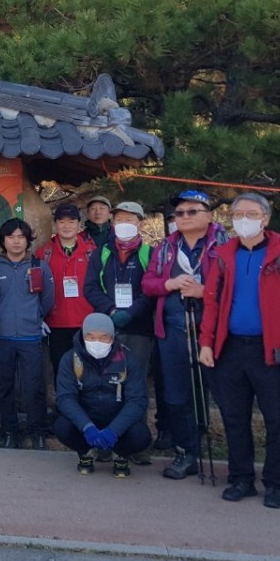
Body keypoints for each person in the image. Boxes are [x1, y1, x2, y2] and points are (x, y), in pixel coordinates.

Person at [198, 192, 280, 509]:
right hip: (230, 349)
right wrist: (206, 342)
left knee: (276, 420)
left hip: (271, 350)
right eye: (238, 214)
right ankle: (241, 479)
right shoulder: (224, 256)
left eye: (251, 214)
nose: (243, 220)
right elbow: (211, 303)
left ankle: (276, 484)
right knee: (234, 418)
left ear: (265, 219)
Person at [142, 189, 227, 479]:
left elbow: (236, 286)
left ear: (209, 214)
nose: (185, 217)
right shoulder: (165, 247)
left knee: (223, 393)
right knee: (176, 394)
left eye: (193, 211)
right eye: (179, 213)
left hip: (214, 330)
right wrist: (169, 284)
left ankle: (237, 459)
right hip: (174, 329)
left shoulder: (224, 245)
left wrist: (206, 292)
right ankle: (185, 451)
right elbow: (148, 283)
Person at [84, 201, 156, 464]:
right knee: (105, 384)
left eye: (130, 219)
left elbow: (152, 290)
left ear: (140, 223)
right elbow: (90, 287)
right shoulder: (101, 253)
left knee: (135, 385)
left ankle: (134, 444)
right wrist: (111, 310)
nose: (124, 224)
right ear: (112, 223)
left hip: (139, 329)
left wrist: (132, 312)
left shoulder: (150, 253)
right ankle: (104, 441)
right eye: (120, 219)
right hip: (107, 328)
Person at [54, 313, 151, 478]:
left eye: (103, 337)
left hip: (117, 418)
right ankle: (86, 452)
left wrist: (114, 431)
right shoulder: (70, 359)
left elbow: (137, 401)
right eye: (91, 337)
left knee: (141, 435)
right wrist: (87, 427)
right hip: (87, 418)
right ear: (83, 337)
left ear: (112, 338)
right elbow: (65, 398)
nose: (96, 342)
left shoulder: (128, 360)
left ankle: (120, 454)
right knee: (62, 427)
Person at [0, 217, 54, 450]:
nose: (16, 241)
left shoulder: (39, 266)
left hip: (30, 336)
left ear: (28, 240)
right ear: (3, 240)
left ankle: (38, 432)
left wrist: (35, 317)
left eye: (21, 237)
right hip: (2, 336)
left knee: (34, 387)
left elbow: (48, 298)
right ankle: (9, 432)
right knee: (5, 387)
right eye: (11, 237)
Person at [36, 203, 97, 377]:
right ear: (55, 224)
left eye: (71, 221)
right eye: (62, 221)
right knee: (62, 370)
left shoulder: (92, 252)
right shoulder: (44, 254)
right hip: (56, 323)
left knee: (87, 371)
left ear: (79, 224)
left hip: (86, 322)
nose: (66, 226)